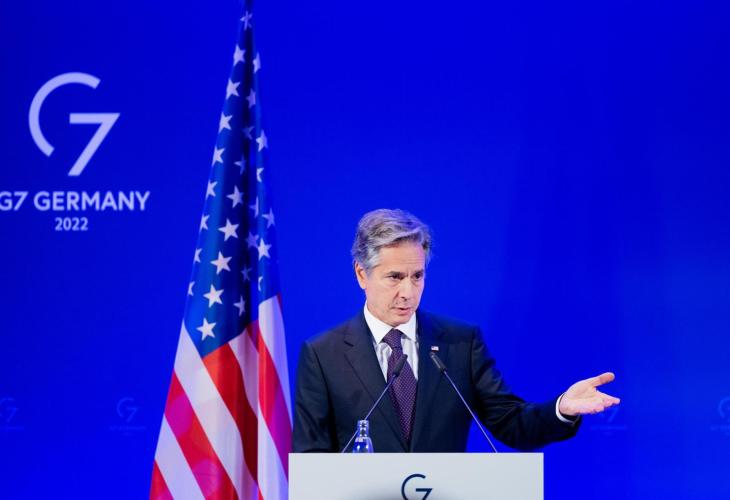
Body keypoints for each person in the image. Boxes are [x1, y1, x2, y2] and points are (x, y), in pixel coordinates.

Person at [292, 208, 620, 452]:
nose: (408, 292)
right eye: (395, 277)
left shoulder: (459, 344)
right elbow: (311, 458)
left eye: (417, 276)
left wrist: (561, 408)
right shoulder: (323, 355)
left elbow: (512, 424)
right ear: (362, 274)